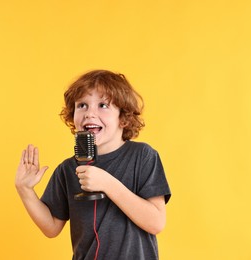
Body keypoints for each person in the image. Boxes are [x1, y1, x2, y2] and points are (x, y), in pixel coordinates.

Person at [15, 69, 171, 260]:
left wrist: (107, 183)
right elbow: (52, 227)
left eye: (103, 105)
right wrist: (25, 190)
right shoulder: (67, 169)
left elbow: (156, 223)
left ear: (123, 117)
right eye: (82, 105)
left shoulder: (143, 156)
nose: (90, 114)